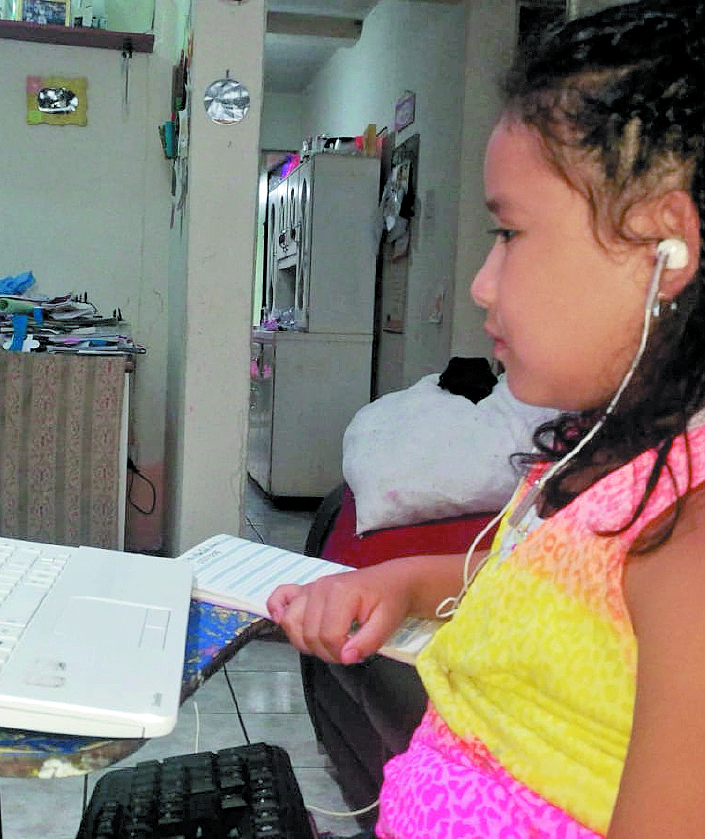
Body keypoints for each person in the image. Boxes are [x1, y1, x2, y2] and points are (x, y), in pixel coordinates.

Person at [267, 3, 705, 837]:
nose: (480, 282)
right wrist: (401, 582)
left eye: (509, 232)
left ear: (663, 245)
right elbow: (539, 591)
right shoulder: (608, 451)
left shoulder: (687, 533)